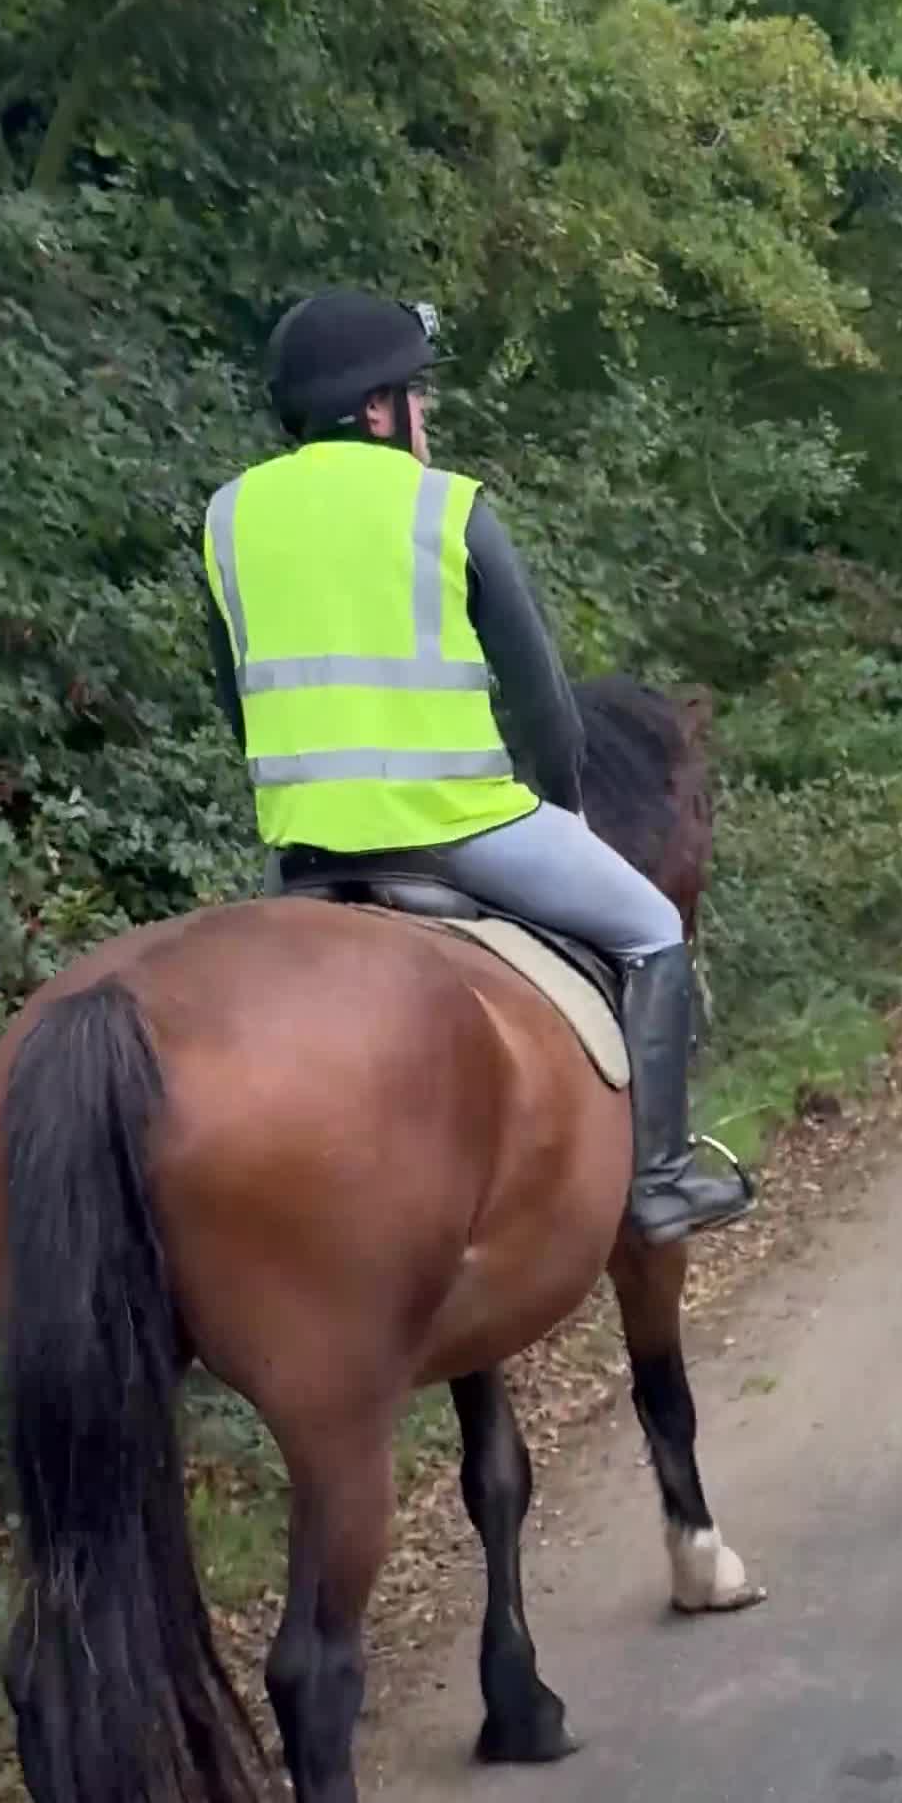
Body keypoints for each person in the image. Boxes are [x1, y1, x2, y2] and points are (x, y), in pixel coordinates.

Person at [202, 286, 750, 1242]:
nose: (425, 412)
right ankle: (660, 1180)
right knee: (654, 929)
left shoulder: (227, 517)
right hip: (458, 834)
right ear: (377, 410)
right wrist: (568, 810)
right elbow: (545, 709)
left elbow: (233, 699)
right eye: (416, 393)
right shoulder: (445, 506)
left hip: (303, 857)